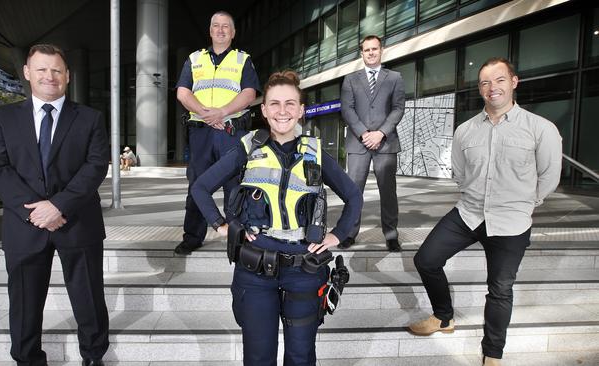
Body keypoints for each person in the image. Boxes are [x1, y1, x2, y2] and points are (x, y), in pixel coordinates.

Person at [191, 71, 362, 365]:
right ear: (264, 110)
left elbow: (354, 196)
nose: (282, 111)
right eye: (275, 104)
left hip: (305, 270)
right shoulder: (247, 148)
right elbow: (200, 187)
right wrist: (221, 226)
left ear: (301, 110)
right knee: (258, 357)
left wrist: (336, 235)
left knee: (300, 356)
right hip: (256, 267)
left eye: (290, 104)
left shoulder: (316, 152)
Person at [408, 58, 562, 366]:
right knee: (425, 259)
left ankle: (492, 353)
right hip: (469, 213)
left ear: (514, 82)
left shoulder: (540, 129)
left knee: (500, 290)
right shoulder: (465, 131)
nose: (493, 88)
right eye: (485, 82)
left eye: (499, 80)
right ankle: (443, 317)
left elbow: (549, 176)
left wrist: (525, 203)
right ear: (480, 89)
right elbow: (460, 172)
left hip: (511, 222)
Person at [0, 44, 109, 366]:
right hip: (24, 226)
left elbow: (96, 166)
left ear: (67, 76)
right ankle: (27, 359)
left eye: (56, 70)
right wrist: (38, 212)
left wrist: (59, 206)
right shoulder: (3, 117)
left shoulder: (90, 118)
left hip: (78, 222)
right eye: (41, 69)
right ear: (27, 73)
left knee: (88, 298)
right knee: (24, 302)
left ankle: (93, 357)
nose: (49, 76)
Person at [175, 10, 260, 255]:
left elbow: (249, 94)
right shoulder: (194, 59)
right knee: (197, 186)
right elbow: (183, 92)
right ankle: (192, 237)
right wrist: (205, 113)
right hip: (201, 132)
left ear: (233, 33)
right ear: (210, 31)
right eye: (215, 26)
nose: (220, 30)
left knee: (234, 187)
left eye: (226, 27)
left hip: (231, 131)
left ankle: (236, 237)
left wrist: (221, 112)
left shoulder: (243, 60)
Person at [339, 35, 405, 251]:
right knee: (353, 191)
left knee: (388, 191)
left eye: (374, 49)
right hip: (358, 143)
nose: (371, 53)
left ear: (381, 50)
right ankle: (349, 234)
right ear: (362, 53)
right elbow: (347, 110)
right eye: (366, 50)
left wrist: (381, 133)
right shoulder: (350, 79)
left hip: (385, 144)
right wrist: (365, 133)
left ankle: (391, 235)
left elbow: (398, 108)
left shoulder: (395, 77)